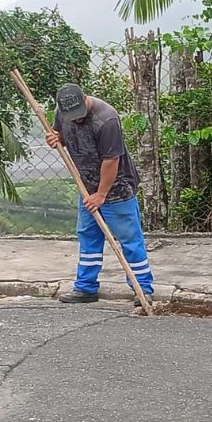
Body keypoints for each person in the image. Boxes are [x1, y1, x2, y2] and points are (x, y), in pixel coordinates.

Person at [46, 83, 154, 306]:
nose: (76, 120)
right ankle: (85, 287)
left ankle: (142, 288)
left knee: (129, 239)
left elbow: (111, 160)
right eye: (71, 117)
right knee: (88, 236)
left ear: (85, 99)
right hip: (87, 188)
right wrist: (56, 140)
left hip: (116, 190)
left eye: (79, 115)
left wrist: (101, 195)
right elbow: (63, 136)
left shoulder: (106, 119)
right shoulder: (63, 112)